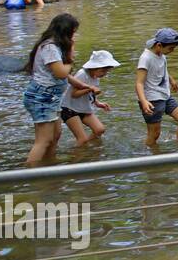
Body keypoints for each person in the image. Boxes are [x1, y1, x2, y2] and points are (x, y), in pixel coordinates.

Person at [23, 14, 87, 166]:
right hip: (43, 97)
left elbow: (62, 75)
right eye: (73, 31)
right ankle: (28, 174)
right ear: (66, 31)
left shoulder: (53, 46)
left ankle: (49, 166)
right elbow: (61, 73)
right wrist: (71, 53)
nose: (75, 35)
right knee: (43, 140)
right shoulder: (50, 47)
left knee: (55, 135)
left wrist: (80, 84)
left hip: (51, 97)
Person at [136, 28, 178, 145]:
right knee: (154, 134)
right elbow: (139, 83)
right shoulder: (146, 58)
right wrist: (144, 101)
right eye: (171, 48)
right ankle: (150, 158)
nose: (172, 51)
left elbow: (161, 69)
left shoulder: (161, 54)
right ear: (159, 45)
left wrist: (171, 80)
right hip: (152, 100)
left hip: (165, 95)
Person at [60, 50, 119, 145]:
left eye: (107, 71)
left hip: (83, 109)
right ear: (94, 67)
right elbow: (74, 94)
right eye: (102, 71)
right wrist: (89, 89)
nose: (104, 74)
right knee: (82, 139)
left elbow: (90, 95)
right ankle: (78, 154)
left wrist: (98, 103)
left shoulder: (95, 77)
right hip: (69, 109)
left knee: (99, 130)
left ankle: (86, 150)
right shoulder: (82, 74)